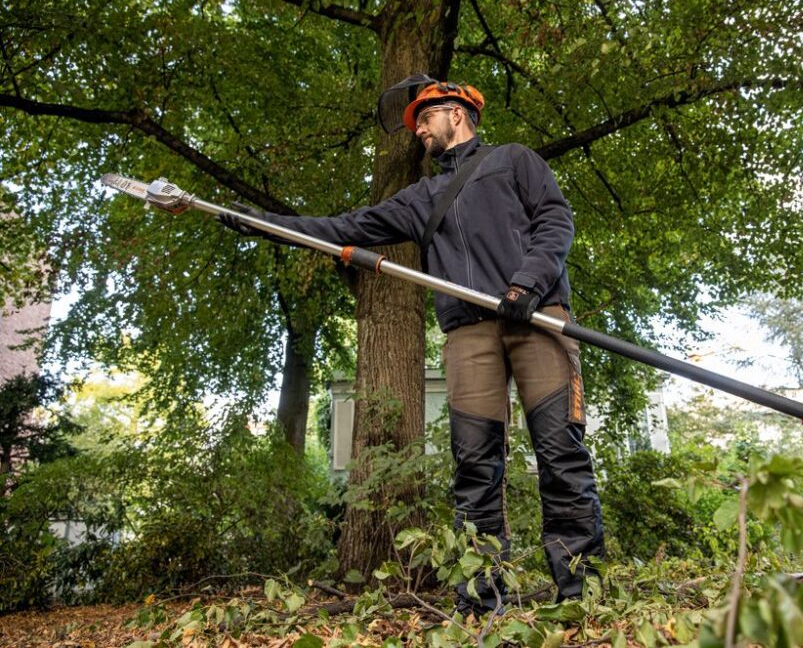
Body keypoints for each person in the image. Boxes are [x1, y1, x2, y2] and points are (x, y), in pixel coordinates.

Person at [219, 76, 605, 613]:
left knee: (562, 456)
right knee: (475, 467)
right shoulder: (422, 197)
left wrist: (527, 282)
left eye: (425, 118)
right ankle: (481, 606)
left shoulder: (515, 160)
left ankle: (582, 597)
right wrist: (260, 223)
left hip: (537, 318)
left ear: (456, 113)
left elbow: (555, 220)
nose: (418, 130)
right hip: (469, 333)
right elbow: (344, 226)